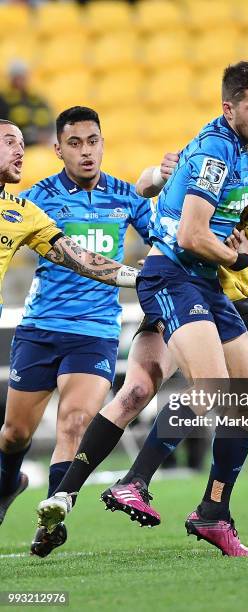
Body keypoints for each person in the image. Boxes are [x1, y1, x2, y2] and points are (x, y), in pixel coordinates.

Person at [38, 81, 248, 555]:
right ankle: (81, 490)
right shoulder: (227, 154)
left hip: (228, 299)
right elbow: (154, 189)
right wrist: (154, 179)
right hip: (184, 282)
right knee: (145, 389)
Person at [0, 117, 140, 534]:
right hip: (40, 331)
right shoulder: (38, 197)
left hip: (93, 331)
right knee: (13, 434)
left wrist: (139, 277)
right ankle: (9, 483)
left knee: (75, 421)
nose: (20, 150)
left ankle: (52, 520)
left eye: (22, 143)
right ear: (61, 149)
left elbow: (76, 256)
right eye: (9, 142)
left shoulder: (22, 211)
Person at [0, 60, 54, 147]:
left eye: (22, 77)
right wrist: (33, 138)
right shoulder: (3, 101)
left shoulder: (37, 99)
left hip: (42, 142)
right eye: (16, 77)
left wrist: (46, 135)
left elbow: (50, 122)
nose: (19, 81)